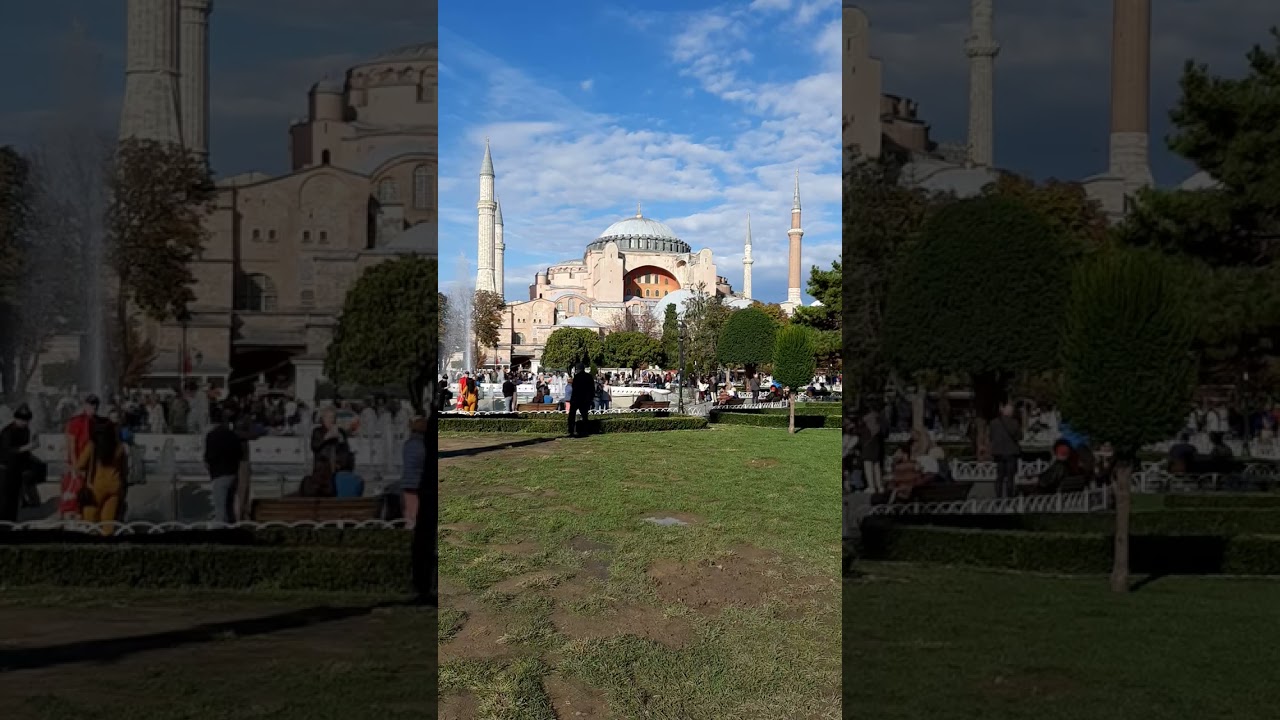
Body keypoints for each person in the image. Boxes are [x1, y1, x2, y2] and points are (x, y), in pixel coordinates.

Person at [76, 418, 128, 534]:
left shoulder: (92, 446)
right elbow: (124, 469)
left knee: (90, 521)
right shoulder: (119, 447)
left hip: (96, 487)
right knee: (108, 523)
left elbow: (80, 465)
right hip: (115, 487)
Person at [203, 406, 244, 523]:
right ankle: (232, 531)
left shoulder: (211, 436)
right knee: (229, 508)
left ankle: (221, 534)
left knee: (220, 510)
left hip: (219, 474)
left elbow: (209, 457)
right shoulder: (232, 435)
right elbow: (240, 454)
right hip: (232, 473)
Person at [0, 404, 37, 524]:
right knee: (5, 498)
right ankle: (4, 522)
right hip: (5, 469)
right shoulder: (8, 432)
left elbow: (24, 453)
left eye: (27, 420)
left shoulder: (25, 430)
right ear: (16, 419)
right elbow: (9, 451)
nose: (25, 422)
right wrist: (27, 447)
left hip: (17, 469)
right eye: (22, 420)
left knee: (15, 498)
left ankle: (11, 522)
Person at [305, 407, 349, 497]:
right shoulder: (317, 431)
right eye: (329, 418)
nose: (331, 420)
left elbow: (345, 450)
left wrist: (341, 439)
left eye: (333, 418)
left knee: (335, 492)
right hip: (321, 470)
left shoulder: (340, 432)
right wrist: (326, 438)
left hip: (336, 469)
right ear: (323, 419)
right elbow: (314, 447)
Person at [989, 401, 1023, 499]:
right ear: (1011, 412)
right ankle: (1009, 497)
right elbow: (1019, 437)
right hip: (1011, 452)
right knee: (1010, 477)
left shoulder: (993, 423)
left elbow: (991, 437)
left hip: (998, 452)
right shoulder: (1014, 423)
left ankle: (998, 497)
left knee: (999, 477)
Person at [401, 417, 427, 527]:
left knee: (409, 512)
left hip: (407, 481)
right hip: (417, 483)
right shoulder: (422, 446)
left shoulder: (408, 444)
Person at [858, 403, 887, 495]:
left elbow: (860, 431)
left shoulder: (866, 420)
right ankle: (880, 486)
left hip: (868, 446)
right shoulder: (879, 419)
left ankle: (872, 486)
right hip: (877, 446)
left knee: (868, 466)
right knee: (876, 467)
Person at [568, 364, 594, 438]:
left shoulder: (577, 377)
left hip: (576, 398)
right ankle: (585, 431)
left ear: (578, 369)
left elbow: (574, 388)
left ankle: (571, 431)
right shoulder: (589, 377)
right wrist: (590, 399)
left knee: (572, 415)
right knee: (584, 416)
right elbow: (592, 389)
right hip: (585, 399)